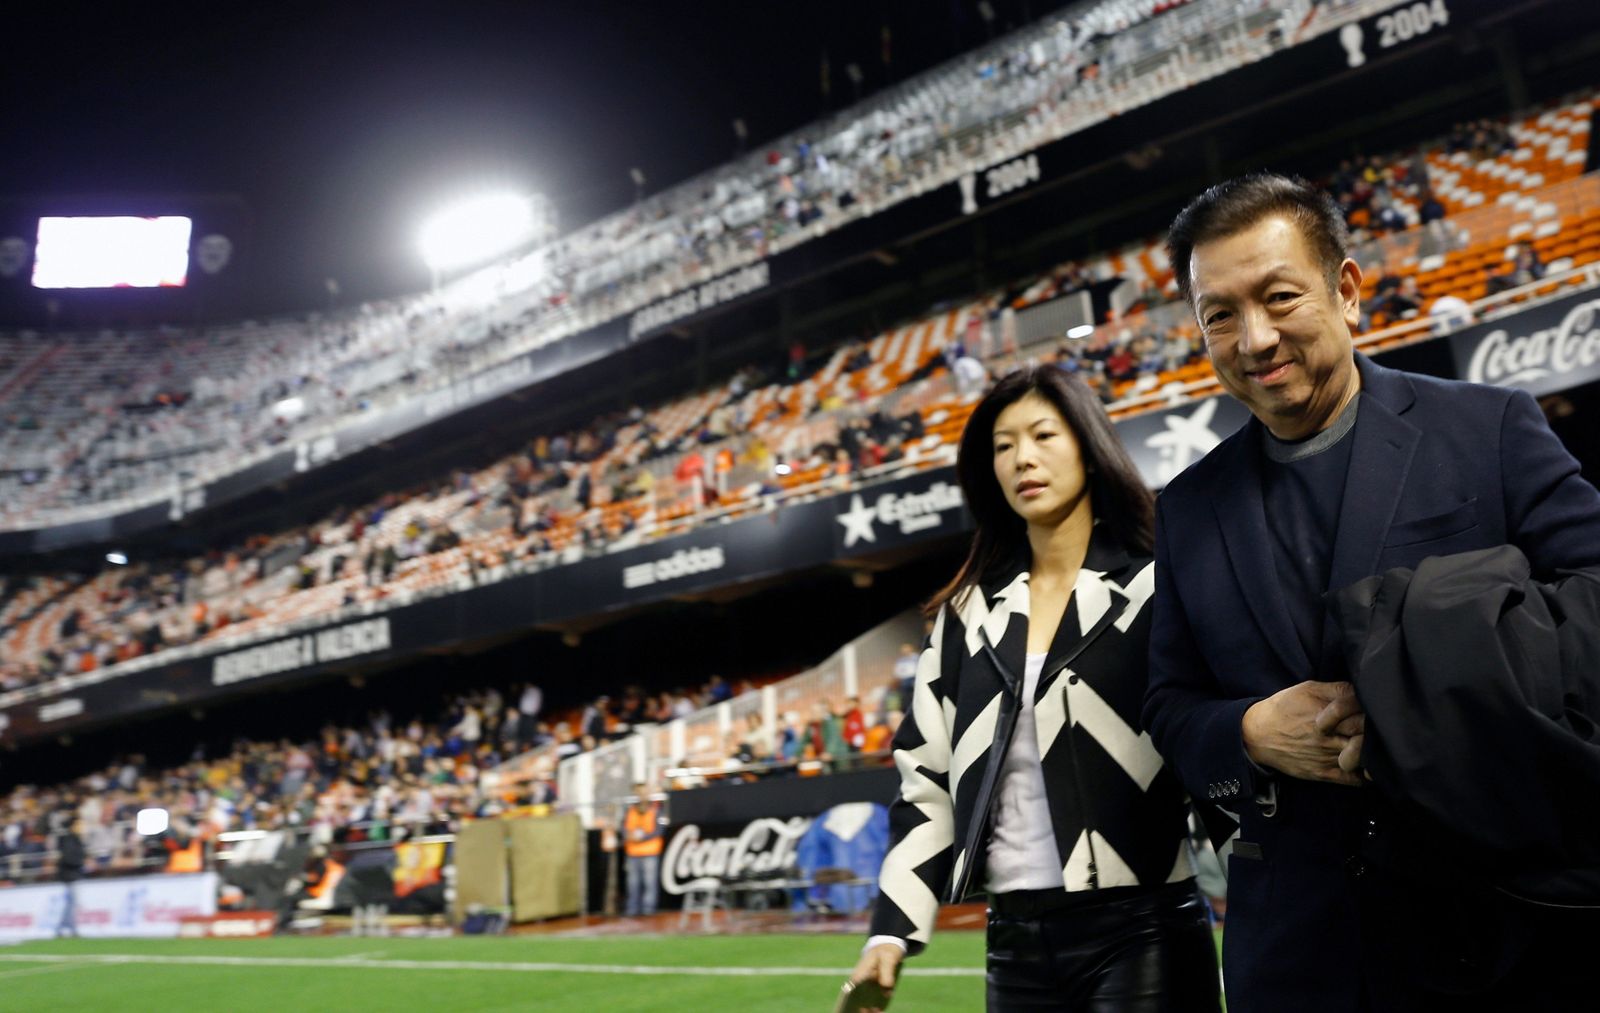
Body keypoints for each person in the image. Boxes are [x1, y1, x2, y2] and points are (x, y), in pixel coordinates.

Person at [1143, 172, 1600, 1012]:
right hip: (1295, 956)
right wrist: (1248, 733)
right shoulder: (1186, 508)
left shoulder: (1490, 426)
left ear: (1347, 290)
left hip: (1505, 934)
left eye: (1279, 297)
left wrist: (1423, 686)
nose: (1254, 338)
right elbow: (1170, 705)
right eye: (1220, 315)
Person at [850, 365, 1219, 1012]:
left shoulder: (1156, 587)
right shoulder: (965, 616)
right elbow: (925, 783)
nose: (1023, 457)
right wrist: (890, 931)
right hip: (1013, 944)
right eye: (1003, 445)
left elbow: (1215, 744)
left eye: (1044, 435)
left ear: (1089, 447)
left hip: (1145, 931)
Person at [622, 784, 664, 918]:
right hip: (633, 852)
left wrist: (643, 837)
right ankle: (632, 909)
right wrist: (628, 835)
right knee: (632, 883)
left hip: (650, 851)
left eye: (645, 792)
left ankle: (648, 909)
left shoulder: (656, 809)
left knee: (649, 883)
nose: (642, 795)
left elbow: (659, 830)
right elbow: (623, 828)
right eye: (639, 792)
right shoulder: (629, 810)